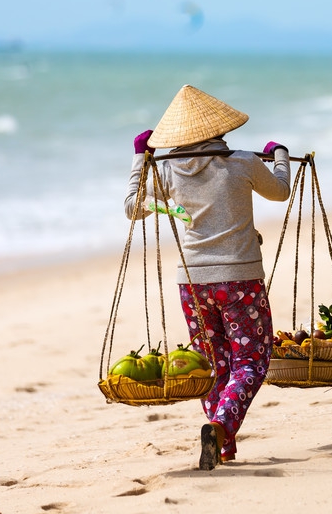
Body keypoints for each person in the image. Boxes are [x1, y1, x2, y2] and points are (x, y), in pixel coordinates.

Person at [124, 84, 291, 470]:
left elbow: (133, 208)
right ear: (219, 129)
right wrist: (278, 155)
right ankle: (219, 426)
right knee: (251, 359)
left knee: (212, 361)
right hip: (240, 281)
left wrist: (139, 159)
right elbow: (280, 191)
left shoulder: (165, 170)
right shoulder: (243, 162)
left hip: (193, 284)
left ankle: (224, 444)